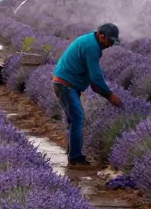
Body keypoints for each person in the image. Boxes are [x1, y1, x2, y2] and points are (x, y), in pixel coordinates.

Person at [52, 23, 123, 167]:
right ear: (101, 35)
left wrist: (103, 92)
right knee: (77, 118)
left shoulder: (90, 42)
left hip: (66, 84)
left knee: (75, 120)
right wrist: (110, 96)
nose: (110, 45)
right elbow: (96, 77)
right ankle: (76, 158)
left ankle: (73, 154)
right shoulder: (91, 47)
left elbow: (94, 82)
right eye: (110, 41)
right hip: (65, 85)